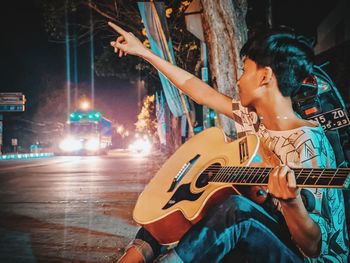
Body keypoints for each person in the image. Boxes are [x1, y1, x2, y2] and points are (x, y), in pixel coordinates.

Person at [108, 21, 349, 263]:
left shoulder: (307, 145)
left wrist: (291, 203)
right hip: (271, 234)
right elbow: (199, 91)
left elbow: (313, 246)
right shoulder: (255, 120)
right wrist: (144, 52)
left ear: (265, 76)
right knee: (179, 206)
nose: (238, 80)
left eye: (244, 70)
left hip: (308, 258)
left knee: (236, 210)